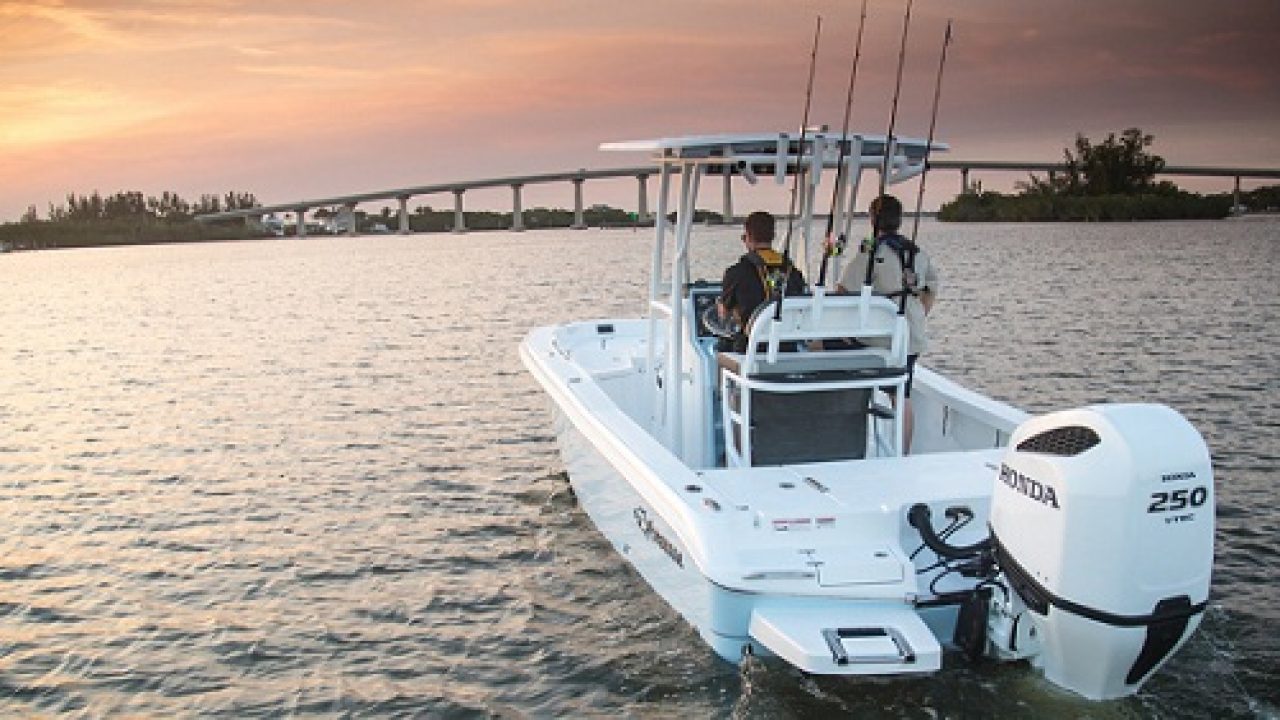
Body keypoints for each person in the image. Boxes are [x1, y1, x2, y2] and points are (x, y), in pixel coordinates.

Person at [836, 194, 939, 454]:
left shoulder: (871, 251)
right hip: (910, 336)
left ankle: (838, 422)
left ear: (873, 220)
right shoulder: (917, 252)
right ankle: (903, 454)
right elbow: (930, 290)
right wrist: (916, 316)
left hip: (879, 340)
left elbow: (843, 290)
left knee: (820, 347)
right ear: (900, 220)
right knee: (901, 394)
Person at [716, 211, 807, 353]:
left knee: (719, 347)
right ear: (773, 236)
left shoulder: (735, 273)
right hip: (787, 348)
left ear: (748, 236)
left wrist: (722, 306)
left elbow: (724, 314)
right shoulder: (794, 273)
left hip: (751, 349)